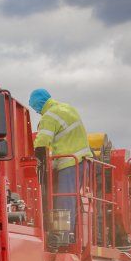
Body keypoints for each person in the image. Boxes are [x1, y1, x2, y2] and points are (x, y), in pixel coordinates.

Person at [29, 88, 92, 237]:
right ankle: (69, 233)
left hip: (69, 162)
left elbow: (42, 142)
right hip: (83, 160)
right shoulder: (67, 108)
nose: (37, 111)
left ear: (39, 104)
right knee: (71, 198)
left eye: (35, 107)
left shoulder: (49, 116)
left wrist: (35, 158)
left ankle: (62, 234)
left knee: (64, 198)